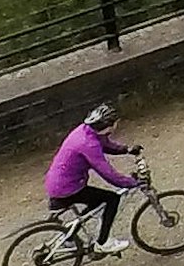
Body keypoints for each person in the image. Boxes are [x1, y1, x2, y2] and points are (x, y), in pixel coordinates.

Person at [45, 103, 140, 254]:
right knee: (111, 199)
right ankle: (103, 243)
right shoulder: (88, 144)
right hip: (67, 188)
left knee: (96, 202)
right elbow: (107, 173)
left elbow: (104, 144)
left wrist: (126, 150)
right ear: (109, 125)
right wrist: (132, 182)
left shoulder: (86, 131)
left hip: (58, 183)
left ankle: (69, 237)